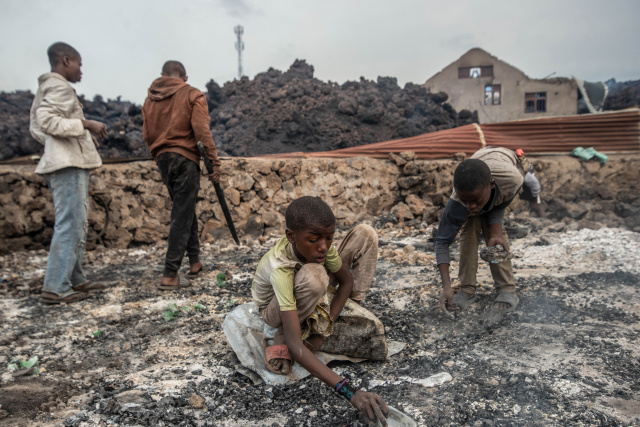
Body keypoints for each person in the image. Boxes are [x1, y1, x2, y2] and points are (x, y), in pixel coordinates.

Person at [251, 196, 389, 425]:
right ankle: (282, 333)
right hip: (273, 308)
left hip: (309, 283)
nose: (324, 246)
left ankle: (341, 312)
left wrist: (323, 329)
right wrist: (351, 392)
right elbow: (297, 348)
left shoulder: (320, 248)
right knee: (315, 275)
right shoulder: (281, 268)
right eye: (314, 239)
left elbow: (347, 282)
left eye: (329, 238)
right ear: (291, 236)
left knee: (365, 233)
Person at [29, 42, 107, 304]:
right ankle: (55, 286)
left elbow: (37, 128)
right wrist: (86, 125)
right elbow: (46, 122)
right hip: (67, 165)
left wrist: (67, 142)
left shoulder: (47, 87)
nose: (80, 70)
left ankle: (74, 278)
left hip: (67, 160)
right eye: (78, 64)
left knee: (77, 221)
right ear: (65, 60)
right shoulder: (58, 85)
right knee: (70, 223)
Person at [142, 60, 221, 290]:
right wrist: (214, 162)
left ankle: (195, 261)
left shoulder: (149, 100)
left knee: (185, 209)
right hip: (185, 158)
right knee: (182, 212)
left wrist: (159, 154)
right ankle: (169, 274)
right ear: (184, 78)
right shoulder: (191, 94)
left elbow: (147, 134)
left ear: (162, 76)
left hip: (163, 158)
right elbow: (201, 131)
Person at [436, 146, 530, 314]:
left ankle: (507, 289)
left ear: (491, 185)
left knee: (492, 229)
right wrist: (447, 287)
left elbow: (501, 204)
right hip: (482, 162)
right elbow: (442, 241)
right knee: (469, 226)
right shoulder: (458, 199)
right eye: (465, 201)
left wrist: (495, 233)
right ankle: (467, 290)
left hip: (507, 169)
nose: (470, 206)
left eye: (475, 200)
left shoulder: (512, 180)